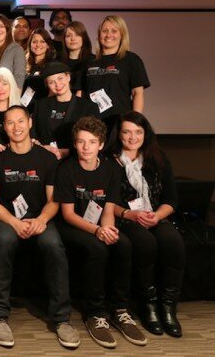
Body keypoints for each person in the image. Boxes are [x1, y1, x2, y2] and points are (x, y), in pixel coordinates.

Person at [0, 105, 80, 349]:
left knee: (53, 246)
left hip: (39, 218)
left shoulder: (47, 158)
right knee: (4, 242)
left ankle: (61, 319)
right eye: (10, 123)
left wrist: (41, 220)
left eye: (20, 121)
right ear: (4, 128)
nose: (16, 127)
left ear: (29, 123)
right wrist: (14, 222)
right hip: (7, 219)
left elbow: (53, 200)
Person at [54, 116, 146, 349]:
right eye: (81, 142)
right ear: (75, 144)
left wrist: (108, 229)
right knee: (97, 248)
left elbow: (108, 207)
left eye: (92, 142)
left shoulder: (109, 169)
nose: (86, 147)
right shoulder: (66, 169)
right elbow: (68, 214)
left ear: (101, 144)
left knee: (122, 244)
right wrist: (98, 231)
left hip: (99, 224)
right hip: (74, 226)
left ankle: (119, 309)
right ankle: (94, 313)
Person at [111, 111, 185, 338]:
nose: (133, 137)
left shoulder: (157, 157)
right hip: (124, 218)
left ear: (146, 134)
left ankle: (168, 307)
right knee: (145, 243)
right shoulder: (109, 160)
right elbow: (105, 200)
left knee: (173, 242)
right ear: (119, 134)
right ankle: (149, 306)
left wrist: (157, 216)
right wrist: (128, 214)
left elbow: (171, 199)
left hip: (155, 215)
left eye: (138, 132)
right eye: (127, 132)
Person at [85, 15, 150, 134]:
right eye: (105, 31)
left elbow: (138, 93)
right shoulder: (89, 62)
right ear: (99, 35)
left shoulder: (132, 60)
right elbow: (81, 94)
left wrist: (135, 123)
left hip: (119, 123)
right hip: (92, 124)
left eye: (114, 31)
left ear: (122, 35)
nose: (109, 35)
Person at [31, 62, 99, 160]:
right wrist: (42, 148)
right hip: (46, 160)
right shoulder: (41, 105)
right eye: (51, 82)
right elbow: (33, 133)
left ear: (68, 77)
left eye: (60, 78)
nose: (57, 84)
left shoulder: (88, 107)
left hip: (75, 160)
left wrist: (66, 152)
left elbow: (94, 139)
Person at [22, 28, 55, 109]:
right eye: (34, 42)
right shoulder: (24, 64)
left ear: (48, 45)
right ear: (30, 44)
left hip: (42, 108)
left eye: (42, 41)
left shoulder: (51, 66)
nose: (38, 45)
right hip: (24, 107)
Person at [61, 21, 93, 95]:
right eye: (68, 35)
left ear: (84, 38)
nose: (73, 38)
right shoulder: (58, 63)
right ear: (64, 39)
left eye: (77, 35)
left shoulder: (93, 60)